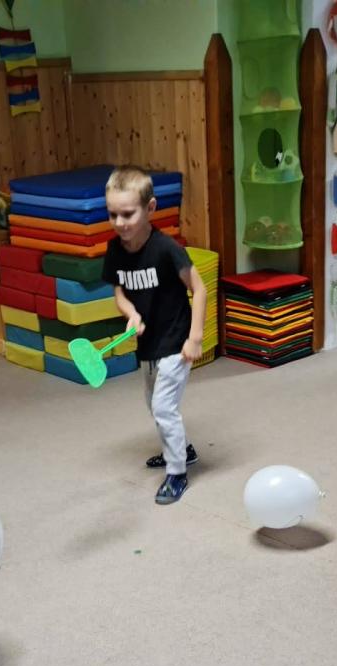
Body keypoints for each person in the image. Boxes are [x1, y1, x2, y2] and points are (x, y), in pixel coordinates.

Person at [103, 165, 207, 505]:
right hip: (148, 342)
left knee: (163, 406)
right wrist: (131, 313)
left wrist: (195, 337)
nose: (120, 223)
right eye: (113, 214)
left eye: (128, 214)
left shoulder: (166, 248)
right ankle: (182, 449)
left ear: (150, 208)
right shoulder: (115, 250)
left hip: (176, 340)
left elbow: (199, 289)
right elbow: (119, 292)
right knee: (154, 404)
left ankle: (177, 473)